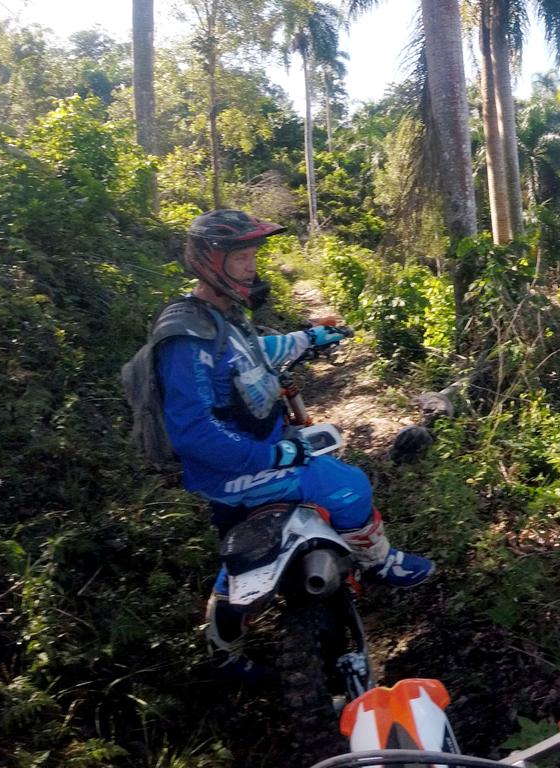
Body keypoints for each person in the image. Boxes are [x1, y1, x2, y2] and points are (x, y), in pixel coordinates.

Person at [154, 209, 434, 681]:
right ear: (210, 261)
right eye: (241, 257)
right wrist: (273, 455)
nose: (251, 267)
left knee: (236, 551)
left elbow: (254, 354)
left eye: (252, 256)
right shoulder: (186, 337)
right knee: (350, 485)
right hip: (240, 466)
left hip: (244, 456)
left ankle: (222, 645)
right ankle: (379, 561)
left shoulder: (216, 317)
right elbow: (192, 430)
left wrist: (307, 338)